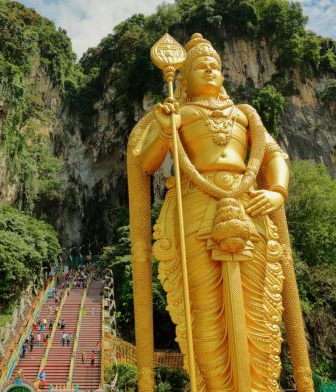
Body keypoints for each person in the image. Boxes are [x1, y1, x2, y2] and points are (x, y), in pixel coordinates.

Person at [127, 33, 313, 391]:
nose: (210, 70)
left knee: (257, 308)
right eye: (200, 67)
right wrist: (166, 131)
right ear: (184, 79)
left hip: (249, 207)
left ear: (224, 75)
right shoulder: (177, 113)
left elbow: (274, 156)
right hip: (196, 208)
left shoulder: (245, 114)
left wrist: (277, 191)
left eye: (215, 66)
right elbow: (145, 163)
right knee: (205, 313)